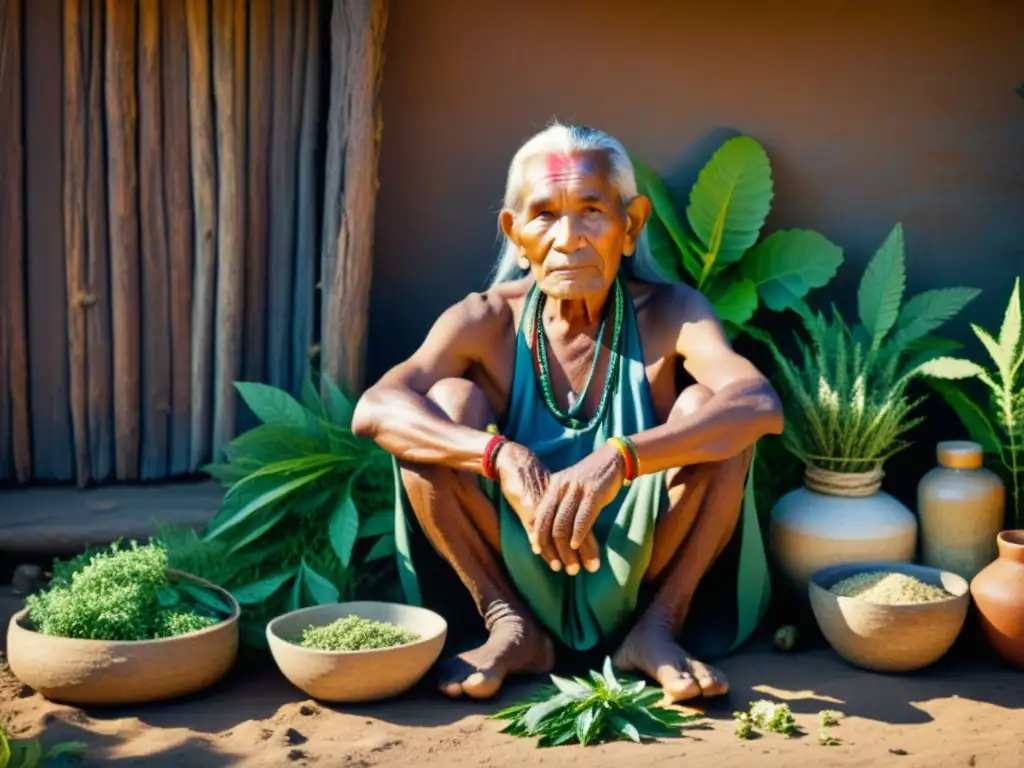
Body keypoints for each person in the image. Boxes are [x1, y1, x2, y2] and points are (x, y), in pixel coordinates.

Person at [352, 123, 783, 702]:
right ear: (515, 232)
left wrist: (620, 459)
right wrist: (499, 456)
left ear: (630, 226)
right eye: (544, 216)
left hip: (643, 556)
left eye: (590, 211)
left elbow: (757, 403)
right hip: (515, 551)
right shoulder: (487, 319)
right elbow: (376, 408)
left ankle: (658, 629)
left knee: (710, 411)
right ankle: (510, 624)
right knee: (443, 409)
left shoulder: (671, 313)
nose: (568, 238)